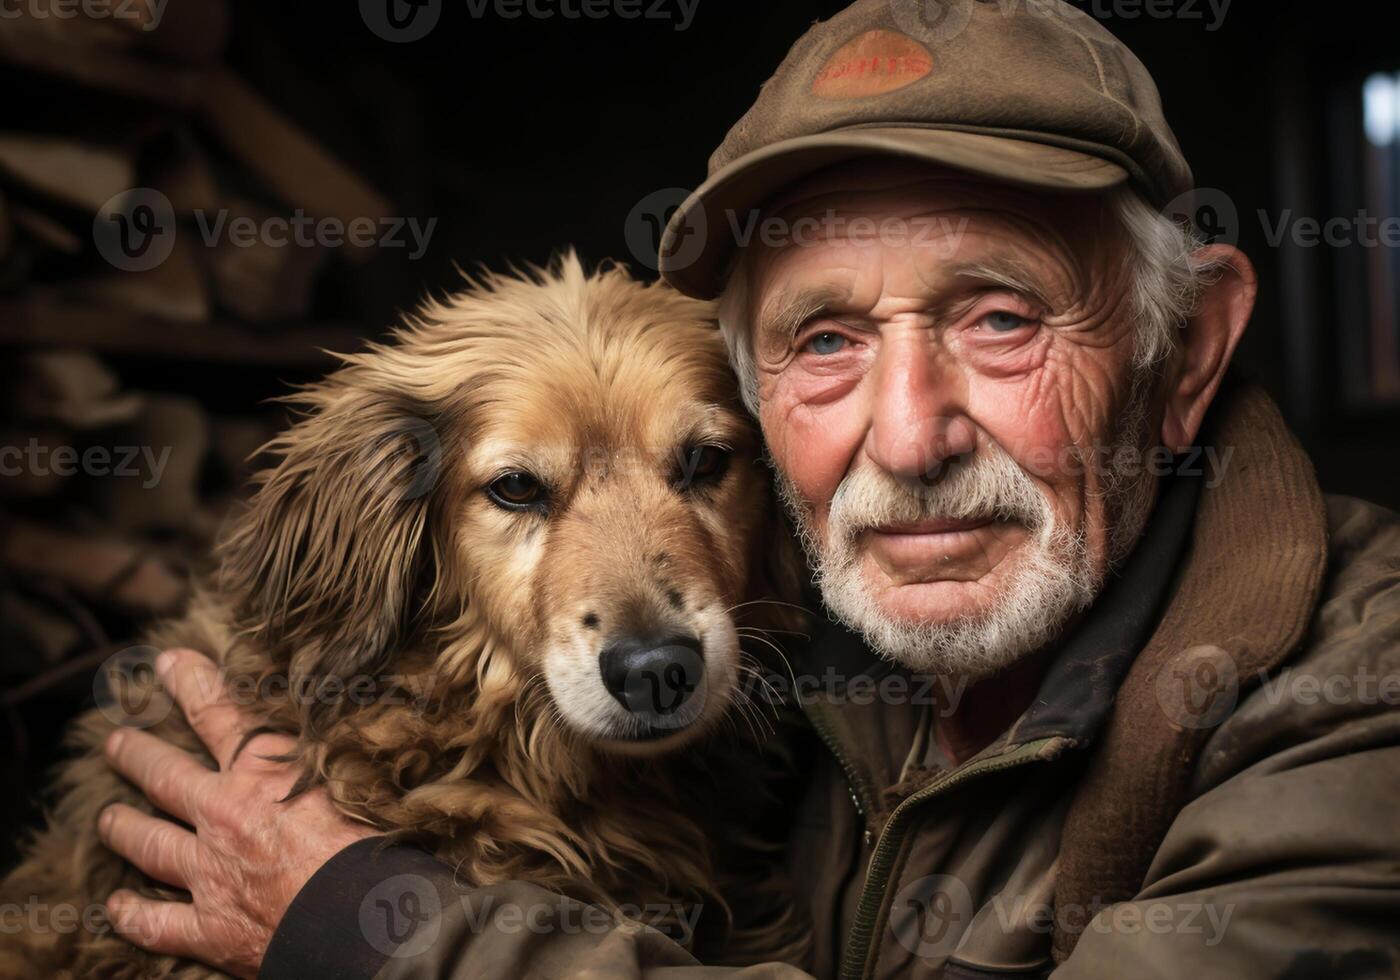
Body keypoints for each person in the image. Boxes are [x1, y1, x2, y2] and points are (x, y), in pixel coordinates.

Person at [94, 1, 1400, 977]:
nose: (906, 436)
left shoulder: (1358, 698)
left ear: (1191, 349)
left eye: (1001, 317)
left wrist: (369, 925)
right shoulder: (800, 663)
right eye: (826, 341)